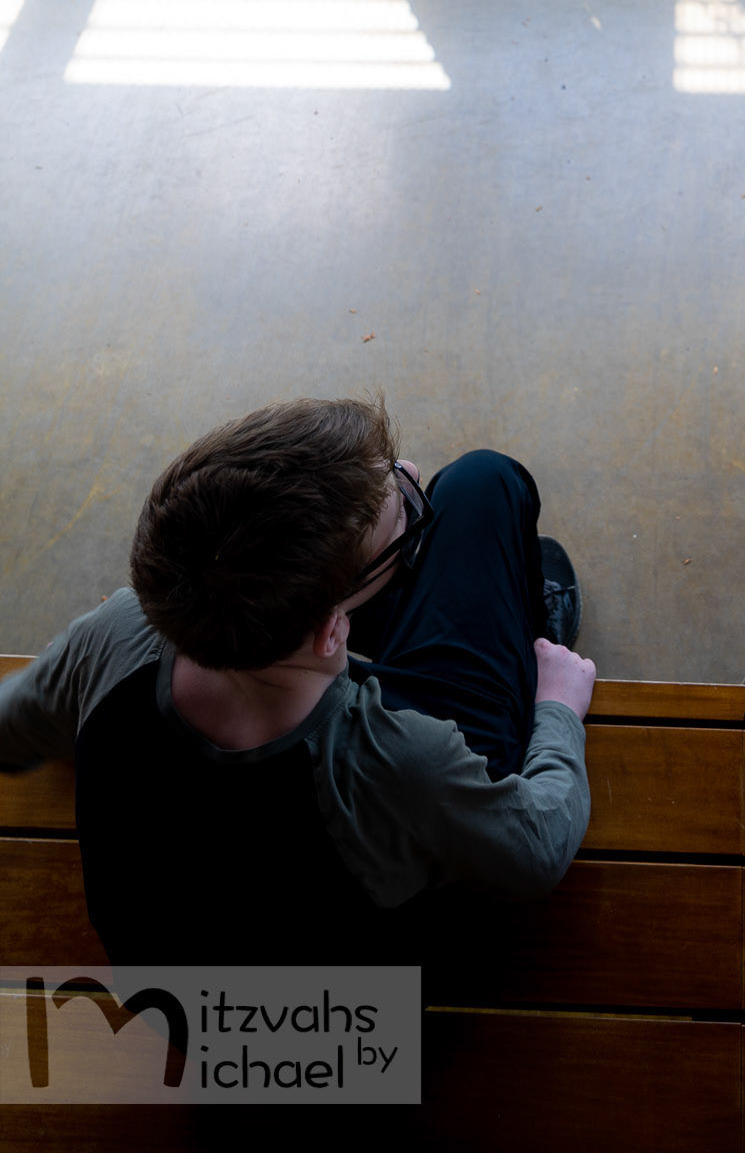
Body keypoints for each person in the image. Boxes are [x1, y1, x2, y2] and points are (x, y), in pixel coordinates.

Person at [0, 396, 594, 963]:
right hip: (340, 1041)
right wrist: (558, 709)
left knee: (464, 498)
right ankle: (527, 634)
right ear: (331, 634)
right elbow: (536, 853)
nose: (410, 472)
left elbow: (13, 727)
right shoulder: (399, 763)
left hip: (183, 1008)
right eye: (401, 527)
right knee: (482, 482)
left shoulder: (115, 631)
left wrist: (80, 684)